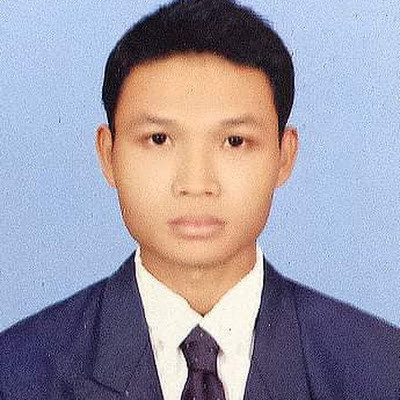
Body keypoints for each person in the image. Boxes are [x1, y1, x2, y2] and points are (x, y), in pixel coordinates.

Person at [0, 0, 398, 399]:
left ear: (284, 156)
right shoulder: (17, 372)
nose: (196, 183)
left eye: (235, 141)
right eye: (159, 139)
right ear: (109, 155)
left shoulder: (382, 367)